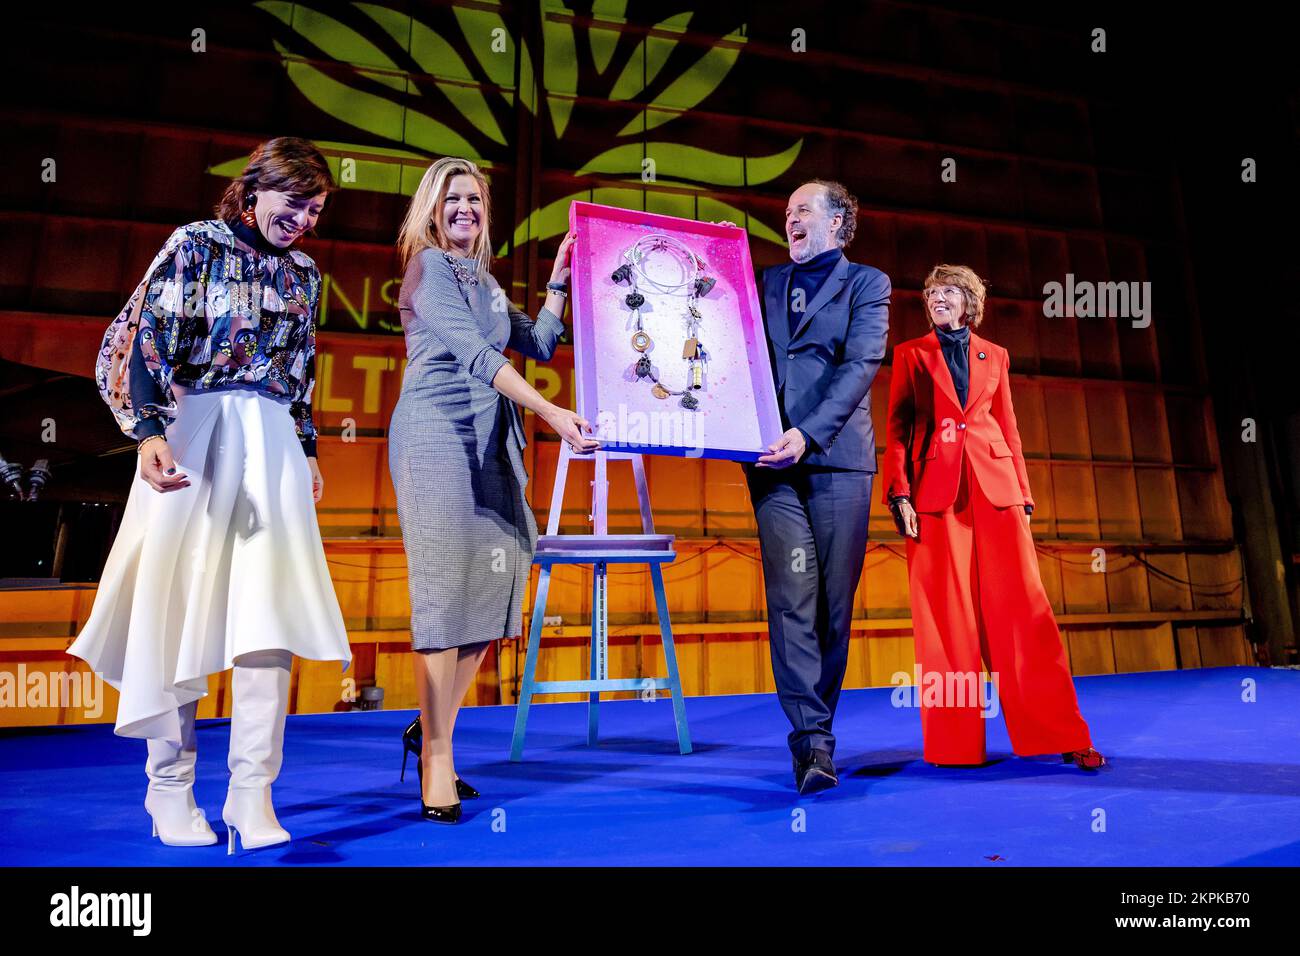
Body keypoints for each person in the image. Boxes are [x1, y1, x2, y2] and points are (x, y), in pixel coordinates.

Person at [68, 136, 353, 851]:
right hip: (193, 432)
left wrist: (308, 446)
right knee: (174, 610)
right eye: (294, 205)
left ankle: (251, 795)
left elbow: (302, 367)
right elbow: (146, 339)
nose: (304, 221)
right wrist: (146, 431)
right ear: (254, 189)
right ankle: (169, 791)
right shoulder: (194, 245)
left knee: (270, 618)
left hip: (272, 447)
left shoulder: (306, 273)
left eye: (315, 210)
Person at [388, 157, 598, 824]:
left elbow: (533, 340)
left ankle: (432, 726)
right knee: (445, 592)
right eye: (452, 199)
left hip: (489, 441)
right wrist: (553, 414)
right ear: (431, 208)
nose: (464, 210)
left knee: (497, 584)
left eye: (473, 199)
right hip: (435, 436)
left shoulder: (480, 278)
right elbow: (480, 358)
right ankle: (437, 760)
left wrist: (559, 282)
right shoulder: (426, 268)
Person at [882, 264, 1105, 770]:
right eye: (931, 293)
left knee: (1025, 612)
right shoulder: (911, 355)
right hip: (935, 497)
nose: (937, 299)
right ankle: (954, 746)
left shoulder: (996, 356)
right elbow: (896, 428)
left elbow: (1009, 426)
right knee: (945, 619)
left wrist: (1023, 497)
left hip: (997, 491)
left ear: (969, 301)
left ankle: (1061, 734)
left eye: (947, 292)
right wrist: (899, 494)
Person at [737, 180, 891, 794]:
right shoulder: (765, 281)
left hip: (838, 461)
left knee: (832, 606)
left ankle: (819, 726)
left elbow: (861, 365)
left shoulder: (867, 283)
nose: (790, 217)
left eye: (803, 210)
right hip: (772, 465)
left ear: (838, 223)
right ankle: (811, 744)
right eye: (787, 211)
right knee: (790, 597)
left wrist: (808, 433)